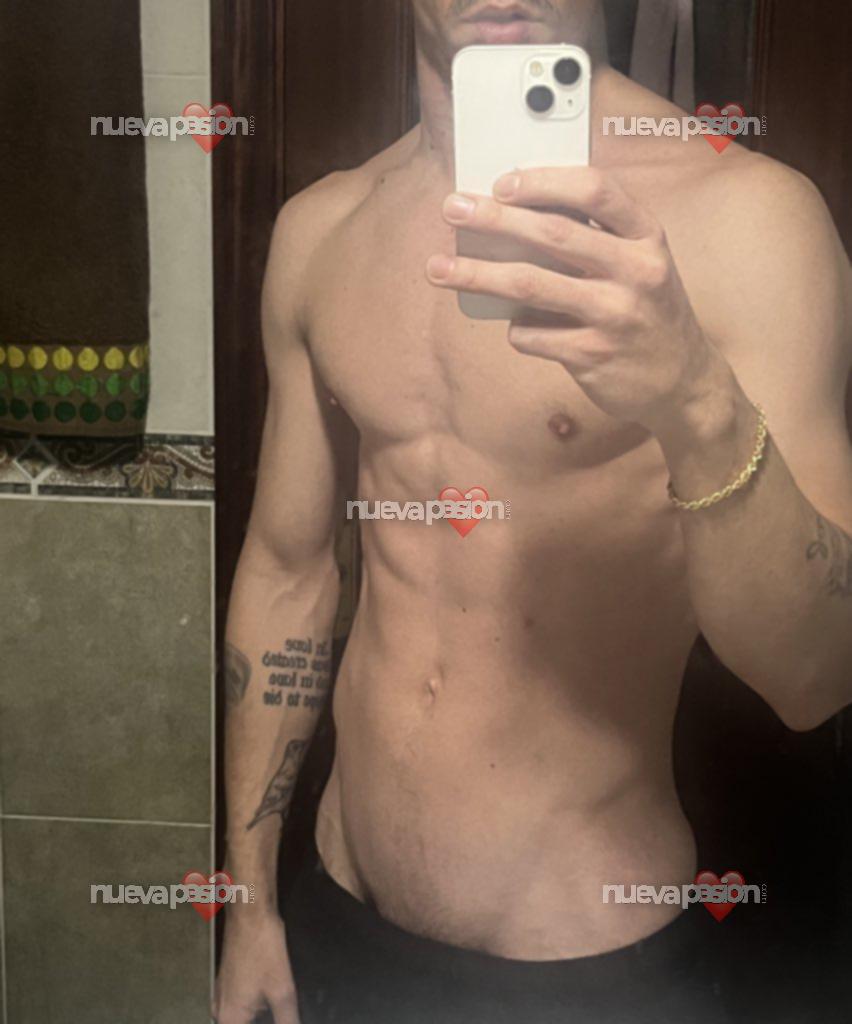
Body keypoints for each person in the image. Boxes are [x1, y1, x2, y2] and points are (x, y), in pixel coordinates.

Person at [213, 1, 852, 1021]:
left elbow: (818, 675)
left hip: (586, 963)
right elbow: (286, 572)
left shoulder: (745, 218)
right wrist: (248, 905)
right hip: (339, 916)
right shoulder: (324, 228)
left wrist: (695, 399)